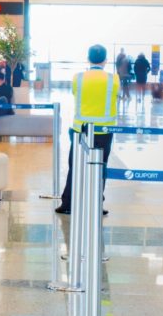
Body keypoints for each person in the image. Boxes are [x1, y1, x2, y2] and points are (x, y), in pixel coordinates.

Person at [56, 44, 119, 216]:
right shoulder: (113, 79)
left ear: (88, 59)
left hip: (81, 130)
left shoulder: (78, 78)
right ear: (105, 60)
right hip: (104, 131)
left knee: (75, 166)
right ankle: (96, 204)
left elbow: (75, 94)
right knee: (100, 167)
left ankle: (68, 204)